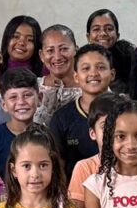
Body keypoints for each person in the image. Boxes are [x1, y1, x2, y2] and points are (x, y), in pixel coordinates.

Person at [49, 44, 116, 176]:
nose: (93, 73)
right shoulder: (61, 118)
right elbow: (58, 167)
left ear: (112, 74)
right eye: (85, 68)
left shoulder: (126, 112)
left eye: (101, 67)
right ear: (76, 77)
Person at [0, 68, 41, 173]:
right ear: (4, 105)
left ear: (39, 99)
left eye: (27, 95)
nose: (21, 102)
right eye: (13, 97)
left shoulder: (47, 136)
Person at [35, 24, 82, 125]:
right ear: (41, 55)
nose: (57, 57)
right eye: (50, 51)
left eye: (64, 49)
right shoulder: (33, 87)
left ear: (76, 50)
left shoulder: (90, 87)